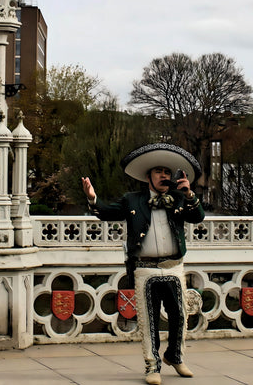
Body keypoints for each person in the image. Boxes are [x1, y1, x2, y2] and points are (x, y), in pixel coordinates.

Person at [82, 143, 205, 385]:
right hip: (145, 269)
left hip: (174, 266)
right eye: (158, 172)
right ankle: (152, 366)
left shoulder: (179, 199)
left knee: (180, 316)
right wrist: (92, 198)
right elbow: (106, 212)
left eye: (167, 172)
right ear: (148, 176)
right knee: (149, 319)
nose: (164, 176)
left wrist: (190, 194)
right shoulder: (133, 200)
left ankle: (175, 356)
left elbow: (197, 217)